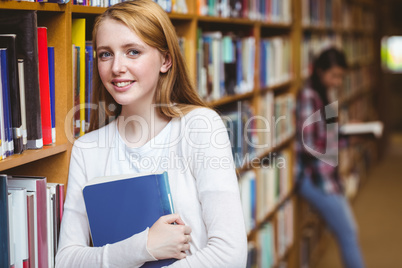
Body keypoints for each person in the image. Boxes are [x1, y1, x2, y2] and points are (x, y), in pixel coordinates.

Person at [55, 0, 247, 267]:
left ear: (165, 60)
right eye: (105, 54)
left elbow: (231, 254)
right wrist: (144, 246)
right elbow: (66, 260)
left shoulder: (200, 127)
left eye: (133, 52)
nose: (116, 68)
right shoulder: (87, 149)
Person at [295, 47, 365, 268]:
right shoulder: (308, 95)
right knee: (348, 232)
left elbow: (323, 132)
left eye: (340, 77)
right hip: (314, 177)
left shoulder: (324, 92)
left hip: (326, 174)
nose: (337, 81)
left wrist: (344, 130)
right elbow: (309, 143)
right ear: (319, 71)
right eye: (334, 76)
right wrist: (346, 139)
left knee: (348, 231)